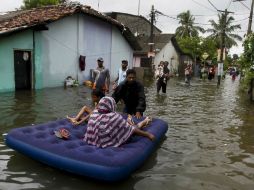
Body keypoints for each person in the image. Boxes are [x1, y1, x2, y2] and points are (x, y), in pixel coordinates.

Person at [83, 96, 154, 148]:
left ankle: (140, 121)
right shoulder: (114, 117)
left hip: (96, 140)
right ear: (112, 105)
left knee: (127, 125)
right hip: (109, 140)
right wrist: (147, 134)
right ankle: (145, 121)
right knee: (133, 127)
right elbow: (131, 129)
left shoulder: (94, 113)